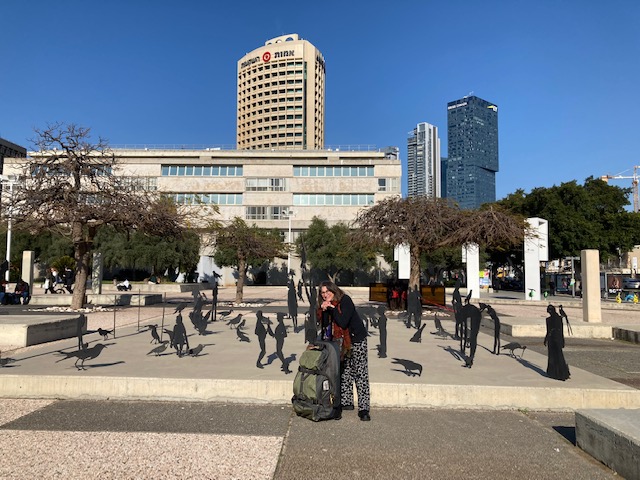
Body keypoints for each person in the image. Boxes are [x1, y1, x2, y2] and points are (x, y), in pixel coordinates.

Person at [318, 281, 371, 421]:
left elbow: (342, 321)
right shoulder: (328, 306)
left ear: (334, 290)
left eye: (327, 291)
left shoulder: (345, 300)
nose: (325, 295)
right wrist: (324, 311)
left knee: (360, 373)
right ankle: (346, 402)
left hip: (356, 339)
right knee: (344, 371)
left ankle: (364, 409)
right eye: (322, 293)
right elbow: (325, 326)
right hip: (340, 342)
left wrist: (331, 308)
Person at [544, 305, 570, 381]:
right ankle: (560, 373)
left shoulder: (549, 319)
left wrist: (546, 339)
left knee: (553, 356)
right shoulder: (558, 318)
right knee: (559, 356)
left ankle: (555, 373)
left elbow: (549, 331)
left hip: (553, 339)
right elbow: (561, 330)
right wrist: (562, 340)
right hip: (556, 339)